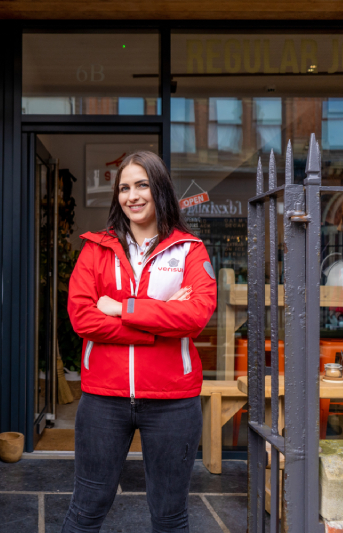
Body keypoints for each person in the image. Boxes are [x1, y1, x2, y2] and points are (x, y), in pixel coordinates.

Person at [63, 151, 217, 533]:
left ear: (160, 188)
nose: (132, 196)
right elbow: (82, 317)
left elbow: (196, 315)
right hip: (103, 400)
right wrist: (158, 321)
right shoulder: (95, 248)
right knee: (86, 509)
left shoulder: (189, 250)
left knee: (169, 515)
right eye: (124, 188)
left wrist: (122, 307)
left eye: (142, 185)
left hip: (173, 403)